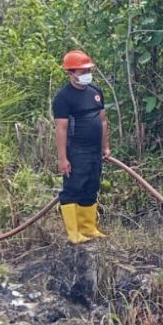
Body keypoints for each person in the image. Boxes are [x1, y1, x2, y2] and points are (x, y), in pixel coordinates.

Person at [53, 50, 110, 243]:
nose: (86, 73)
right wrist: (63, 158)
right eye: (82, 70)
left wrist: (106, 147)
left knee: (91, 186)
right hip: (76, 151)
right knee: (73, 188)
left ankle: (89, 228)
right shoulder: (63, 97)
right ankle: (74, 233)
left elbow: (102, 121)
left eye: (88, 69)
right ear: (71, 73)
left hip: (95, 151)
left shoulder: (95, 92)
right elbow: (61, 129)